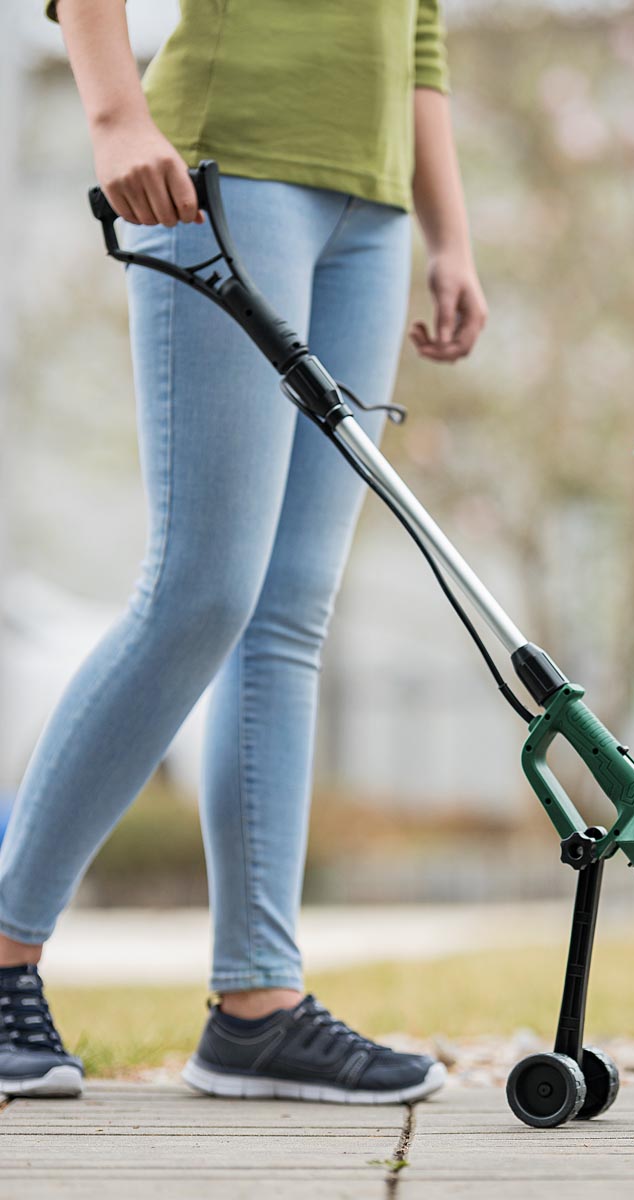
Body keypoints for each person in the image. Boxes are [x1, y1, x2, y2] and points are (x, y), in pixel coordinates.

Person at [0, 0, 486, 1103]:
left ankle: (257, 1004)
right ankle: (4, 950)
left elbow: (415, 33)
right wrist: (116, 114)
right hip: (224, 166)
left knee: (287, 611)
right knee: (201, 589)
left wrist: (447, 233)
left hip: (371, 208)